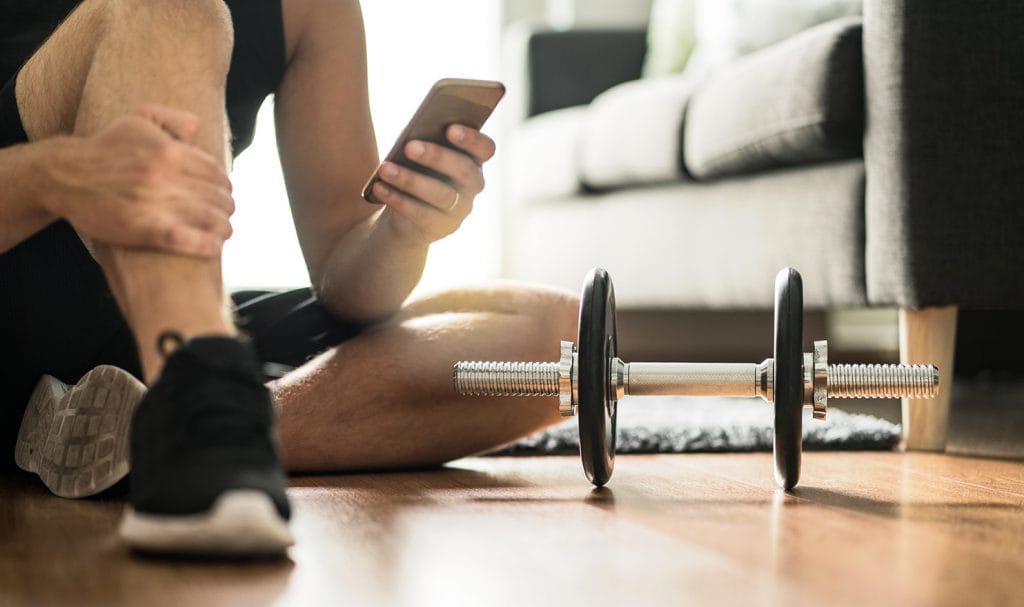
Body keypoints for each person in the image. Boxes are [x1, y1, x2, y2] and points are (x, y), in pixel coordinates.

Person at [0, 0, 577, 556]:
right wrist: (56, 175)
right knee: (169, 8)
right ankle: (199, 419)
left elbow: (347, 287)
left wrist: (403, 230)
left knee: (562, 341)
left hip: (136, 345)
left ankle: (168, 429)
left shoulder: (313, 8)